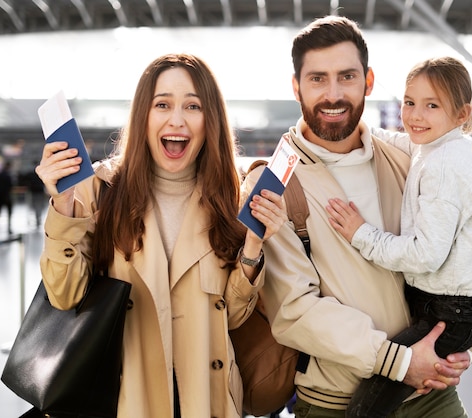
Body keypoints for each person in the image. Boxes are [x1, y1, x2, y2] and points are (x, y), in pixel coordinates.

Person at [242, 16, 472, 418]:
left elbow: (464, 249)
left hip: (430, 395)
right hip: (336, 402)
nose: (333, 95)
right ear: (296, 86)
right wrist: (399, 362)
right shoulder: (273, 184)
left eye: (346, 77)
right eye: (317, 79)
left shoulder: (407, 160)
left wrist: (464, 344)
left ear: (368, 82)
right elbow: (295, 311)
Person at [35, 53, 286, 418]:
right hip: (128, 401)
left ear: (210, 118)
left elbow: (230, 319)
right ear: (143, 116)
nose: (177, 120)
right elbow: (64, 295)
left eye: (193, 106)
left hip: (209, 401)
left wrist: (253, 245)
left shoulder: (233, 196)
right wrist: (63, 203)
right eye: (163, 104)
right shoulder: (100, 190)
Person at [324, 56, 472, 417]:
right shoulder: (438, 146)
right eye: (409, 102)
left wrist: (361, 234)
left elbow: (425, 255)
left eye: (431, 105)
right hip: (447, 307)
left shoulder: (446, 166)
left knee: (366, 408)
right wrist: (360, 128)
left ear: (462, 114)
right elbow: (405, 143)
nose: (415, 115)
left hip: (449, 312)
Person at [26, 160, 47, 226]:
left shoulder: (31, 173)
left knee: (32, 205)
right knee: (39, 206)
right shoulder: (41, 173)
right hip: (39, 191)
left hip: (33, 191)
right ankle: (38, 219)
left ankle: (33, 219)